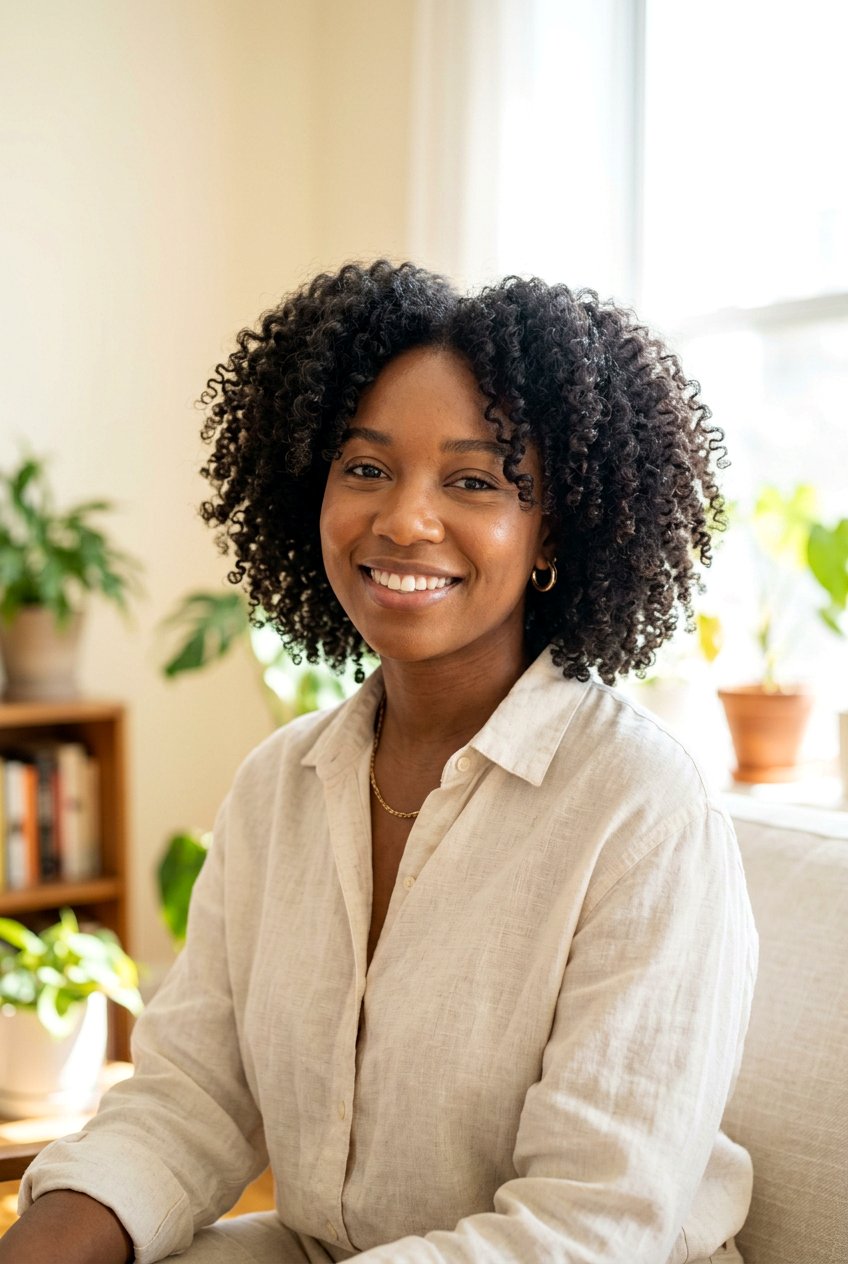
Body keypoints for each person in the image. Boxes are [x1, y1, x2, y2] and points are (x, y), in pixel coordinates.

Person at [3, 261, 757, 1263]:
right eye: (364, 467)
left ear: (551, 533)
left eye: (473, 480)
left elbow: (587, 1225)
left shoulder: (638, 808)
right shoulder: (277, 785)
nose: (403, 519)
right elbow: (189, 1098)